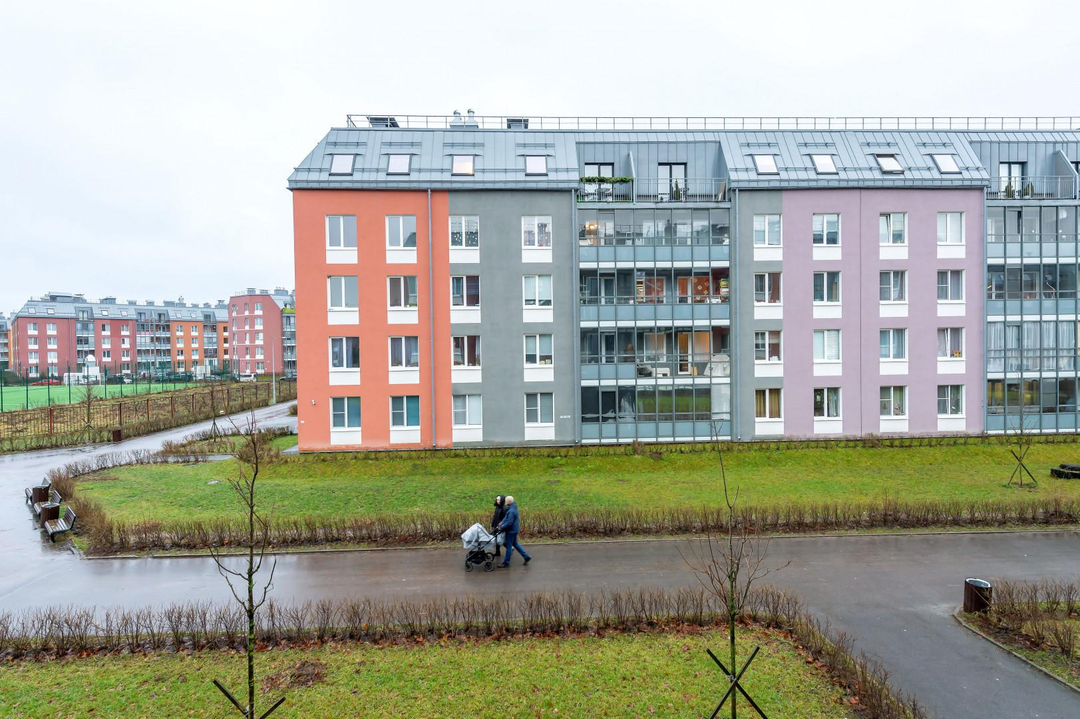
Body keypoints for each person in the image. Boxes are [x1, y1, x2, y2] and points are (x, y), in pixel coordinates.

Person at [497, 495, 531, 568]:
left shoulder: (511, 511)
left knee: (509, 547)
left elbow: (509, 522)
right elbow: (506, 518)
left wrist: (501, 527)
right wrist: (502, 522)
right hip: (514, 530)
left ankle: (506, 562)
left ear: (508, 502)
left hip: (511, 531)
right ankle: (526, 556)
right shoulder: (513, 508)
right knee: (515, 544)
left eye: (506, 501)